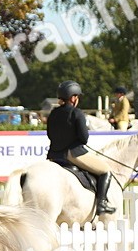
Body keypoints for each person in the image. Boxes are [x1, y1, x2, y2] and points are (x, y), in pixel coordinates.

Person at [47, 80, 115, 216]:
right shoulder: (77, 113)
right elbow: (84, 138)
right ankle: (101, 204)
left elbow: (50, 134)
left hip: (54, 155)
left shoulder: (53, 113)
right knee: (106, 171)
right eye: (77, 96)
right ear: (73, 98)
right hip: (73, 154)